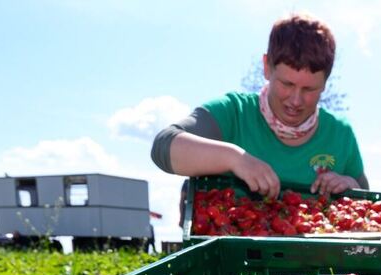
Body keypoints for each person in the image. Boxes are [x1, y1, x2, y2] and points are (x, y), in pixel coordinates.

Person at [151, 13, 367, 207]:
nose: (295, 100)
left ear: (325, 83)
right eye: (287, 84)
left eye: (309, 89)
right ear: (266, 67)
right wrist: (235, 158)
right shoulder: (234, 113)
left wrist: (351, 186)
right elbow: (164, 146)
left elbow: (370, 201)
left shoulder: (340, 134)